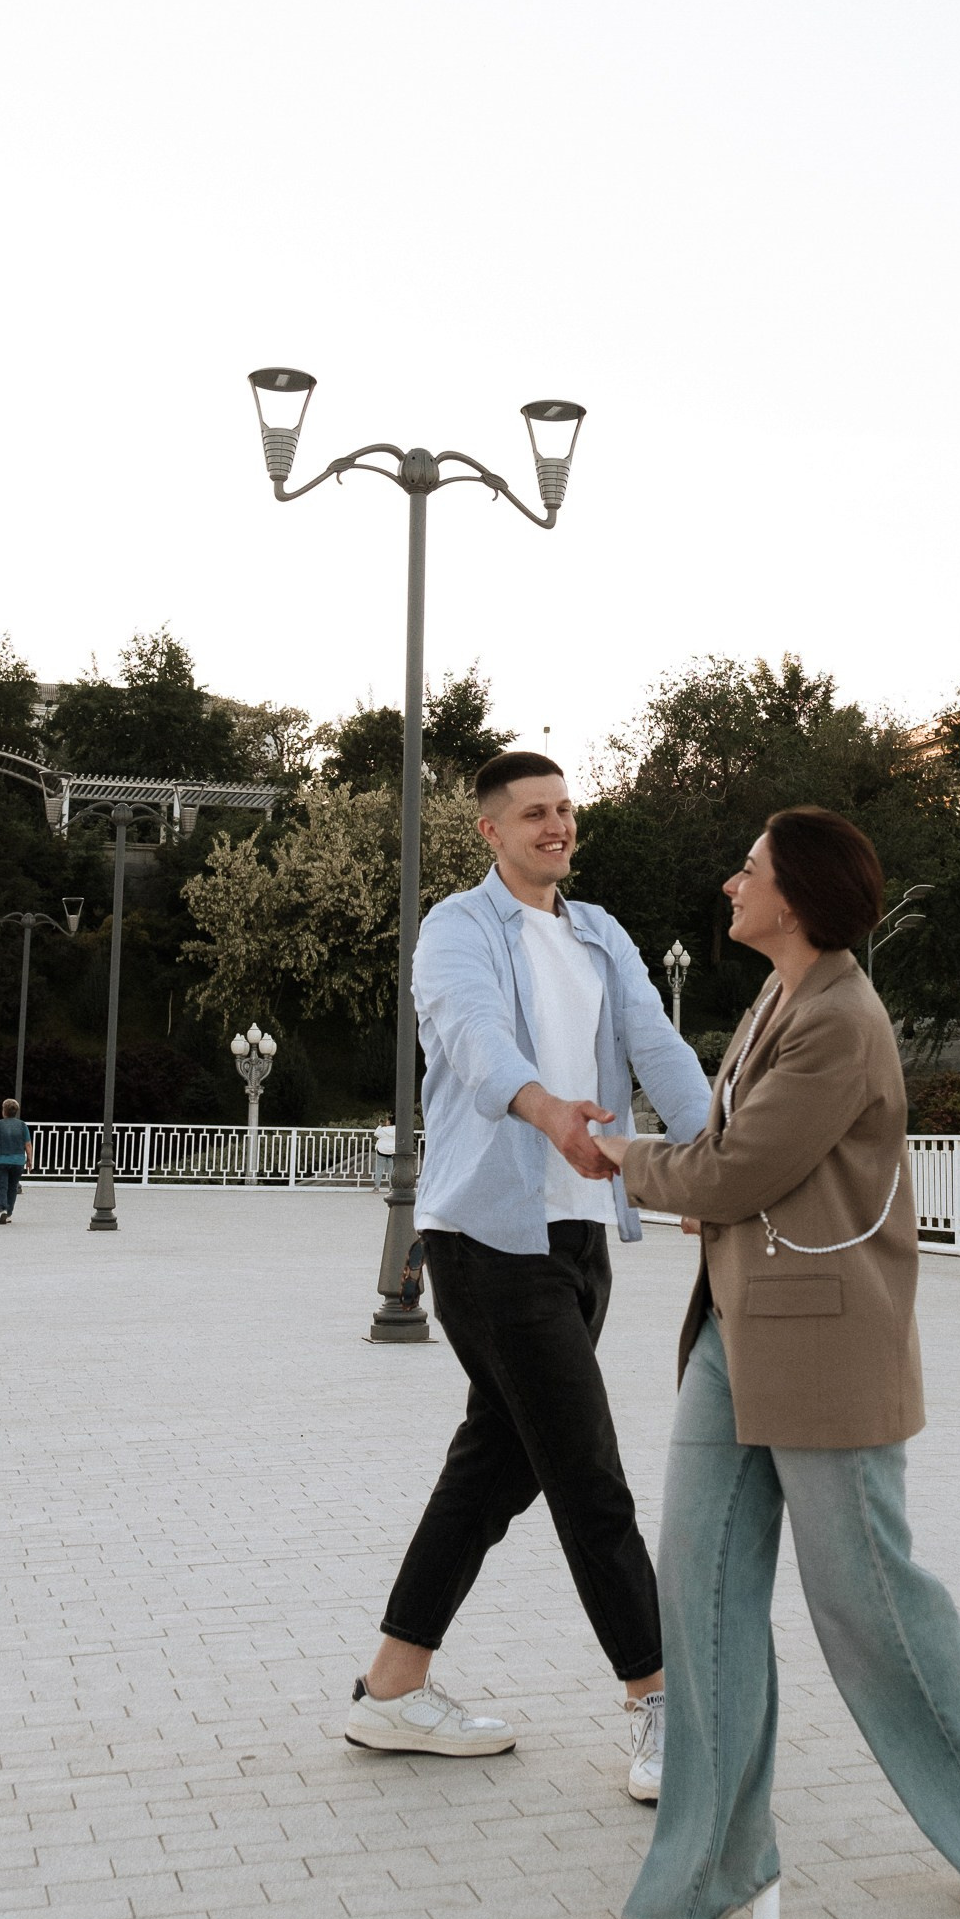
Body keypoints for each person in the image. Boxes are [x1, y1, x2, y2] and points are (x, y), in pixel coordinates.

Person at [598, 807, 960, 1919]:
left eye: (747, 867)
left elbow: (737, 1166)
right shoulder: (777, 996)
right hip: (733, 1331)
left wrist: (623, 1158)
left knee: (867, 1606)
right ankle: (714, 1869)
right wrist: (695, 1181)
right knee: (697, 1593)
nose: (729, 881)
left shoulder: (842, 1016)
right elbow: (740, 1159)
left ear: (791, 896)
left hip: (826, 1347)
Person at [344, 750, 714, 1798]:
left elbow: (657, 1045)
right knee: (585, 1472)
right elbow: (472, 1038)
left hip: (581, 1233)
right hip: (488, 1238)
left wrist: (713, 1161)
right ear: (490, 831)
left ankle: (391, 1690)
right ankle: (657, 1702)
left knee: (495, 1466)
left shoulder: (598, 932)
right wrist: (549, 1111)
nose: (556, 827)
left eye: (565, 810)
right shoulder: (456, 929)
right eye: (534, 813)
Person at [0, 1098, 29, 1221]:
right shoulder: (22, 1125)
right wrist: (30, 1160)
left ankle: (3, 1209)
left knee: (1, 1186)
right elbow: (28, 1144)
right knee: (12, 1187)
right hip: (17, 1161)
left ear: (3, 1111)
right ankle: (9, 1213)